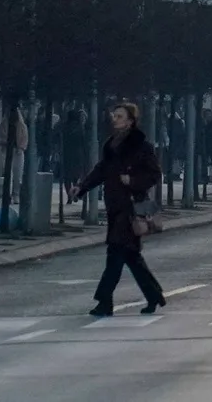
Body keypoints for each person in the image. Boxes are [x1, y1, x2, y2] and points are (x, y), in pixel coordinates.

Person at [72, 101, 166, 316]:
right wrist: (82, 188)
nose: (115, 119)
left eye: (120, 116)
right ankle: (154, 296)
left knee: (114, 255)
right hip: (115, 206)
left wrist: (132, 180)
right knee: (132, 257)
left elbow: (154, 174)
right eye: (114, 116)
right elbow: (101, 170)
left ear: (131, 121)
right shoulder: (111, 144)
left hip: (131, 208)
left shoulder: (141, 146)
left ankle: (104, 302)